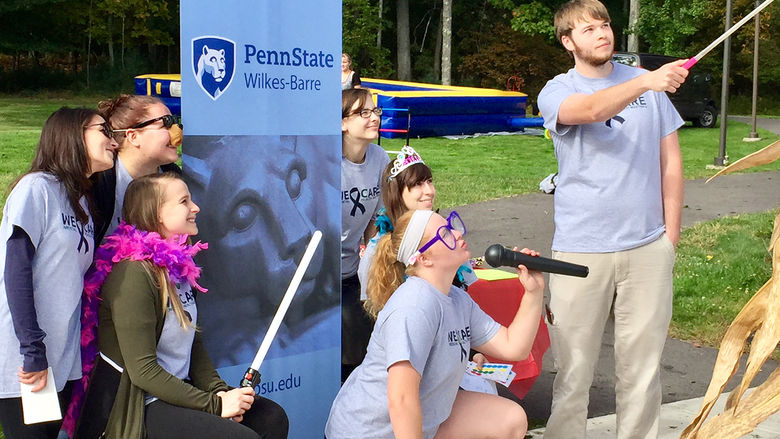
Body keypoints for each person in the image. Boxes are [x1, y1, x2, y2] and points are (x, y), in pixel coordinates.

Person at [537, 1, 686, 437]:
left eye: (604, 25)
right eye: (588, 29)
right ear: (568, 43)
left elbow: (671, 164)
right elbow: (589, 111)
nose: (602, 33)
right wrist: (648, 82)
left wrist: (668, 240)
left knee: (642, 375)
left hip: (647, 249)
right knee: (572, 375)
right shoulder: (556, 90)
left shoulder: (646, 85)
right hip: (579, 251)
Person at [72, 173, 288, 439]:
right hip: (140, 404)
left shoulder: (178, 269)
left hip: (178, 391)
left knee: (270, 418)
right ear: (157, 214)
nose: (195, 207)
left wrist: (221, 392)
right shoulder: (134, 275)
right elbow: (143, 372)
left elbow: (194, 346)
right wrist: (216, 405)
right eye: (184, 201)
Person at [326, 209, 544, 439]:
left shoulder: (457, 299)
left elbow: (514, 347)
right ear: (424, 258)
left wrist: (533, 292)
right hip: (368, 432)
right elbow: (401, 399)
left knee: (509, 420)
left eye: (452, 226)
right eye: (446, 233)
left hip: (418, 420)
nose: (457, 233)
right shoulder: (414, 306)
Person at [0, 107, 117, 438]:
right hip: (27, 359)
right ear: (72, 135)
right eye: (104, 130)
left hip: (64, 359)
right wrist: (33, 350)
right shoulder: (36, 189)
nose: (113, 140)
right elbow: (16, 270)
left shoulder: (80, 202)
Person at [341, 88, 390, 380]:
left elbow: (377, 220)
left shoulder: (379, 158)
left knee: (367, 340)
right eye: (364, 113)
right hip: (319, 275)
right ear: (342, 123)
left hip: (353, 270)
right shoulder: (327, 164)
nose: (374, 118)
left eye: (375, 111)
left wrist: (370, 266)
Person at [93, 94, 182, 244]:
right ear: (133, 136)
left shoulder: (176, 179)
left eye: (176, 122)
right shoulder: (97, 183)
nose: (176, 132)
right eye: (166, 123)